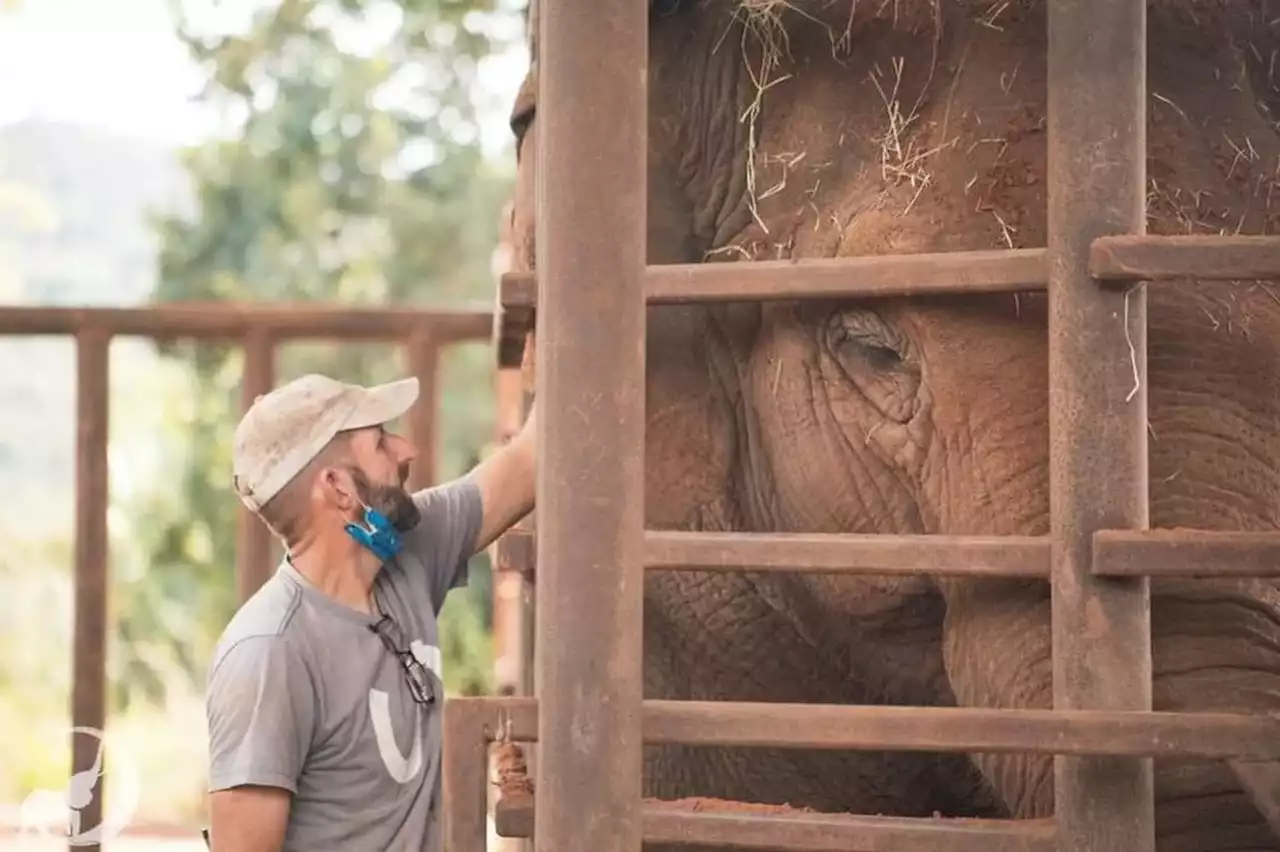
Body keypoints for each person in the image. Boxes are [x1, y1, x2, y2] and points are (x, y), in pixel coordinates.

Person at [203, 372, 536, 851]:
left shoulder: (408, 556)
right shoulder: (268, 653)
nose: (406, 451)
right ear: (339, 488)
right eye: (380, 443)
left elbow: (527, 462)